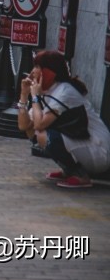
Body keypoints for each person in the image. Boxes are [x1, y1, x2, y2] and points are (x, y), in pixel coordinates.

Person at [17, 50, 110, 188]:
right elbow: (24, 126)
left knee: (43, 135)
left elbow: (39, 125)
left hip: (98, 149)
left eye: (37, 67)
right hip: (82, 144)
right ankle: (69, 170)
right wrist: (24, 95)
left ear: (48, 72)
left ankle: (79, 175)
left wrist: (35, 97)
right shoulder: (47, 91)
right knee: (34, 132)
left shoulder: (64, 91)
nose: (32, 72)